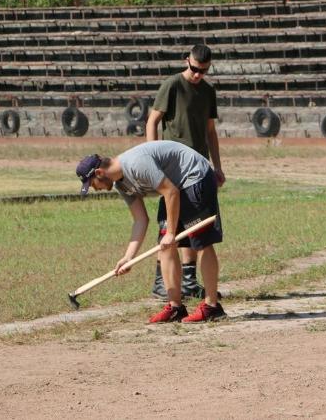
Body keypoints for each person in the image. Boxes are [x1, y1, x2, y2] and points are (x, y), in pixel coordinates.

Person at [76, 141, 226, 322]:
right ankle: (175, 308)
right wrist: (128, 257)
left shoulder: (136, 164)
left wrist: (171, 233)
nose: (93, 188)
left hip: (194, 176)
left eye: (91, 183)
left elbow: (170, 192)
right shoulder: (120, 184)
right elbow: (140, 220)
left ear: (99, 173)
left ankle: (212, 307)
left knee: (201, 242)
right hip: (174, 187)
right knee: (165, 245)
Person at [145, 44, 225, 300]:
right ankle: (162, 283)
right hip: (173, 168)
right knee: (168, 223)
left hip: (198, 169)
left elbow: (211, 131)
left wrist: (217, 166)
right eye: (194, 69)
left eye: (203, 70)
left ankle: (189, 281)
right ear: (186, 61)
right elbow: (152, 121)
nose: (197, 74)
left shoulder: (208, 91)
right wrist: (152, 156)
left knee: (194, 226)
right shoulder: (172, 85)